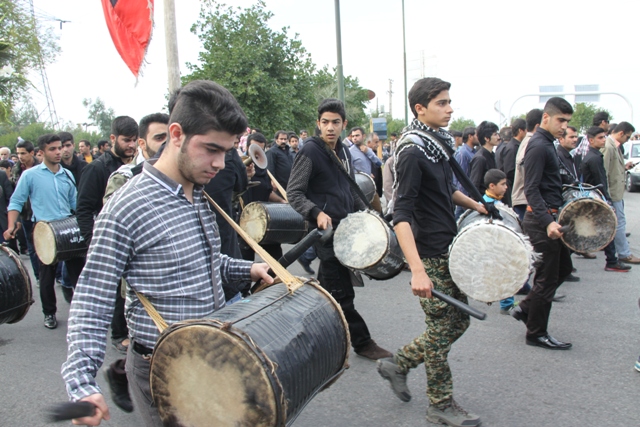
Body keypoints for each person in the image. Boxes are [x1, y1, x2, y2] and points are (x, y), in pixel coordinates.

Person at [61, 80, 273, 427]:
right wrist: (81, 384)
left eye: (228, 151)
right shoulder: (127, 207)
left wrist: (246, 269)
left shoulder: (197, 192)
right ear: (176, 134)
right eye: (211, 149)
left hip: (212, 354)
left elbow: (198, 264)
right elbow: (91, 299)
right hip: (164, 368)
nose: (220, 163)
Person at [377, 77, 487, 427]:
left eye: (449, 101)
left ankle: (399, 363)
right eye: (441, 102)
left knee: (460, 320)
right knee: (441, 329)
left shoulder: (434, 145)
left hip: (446, 246)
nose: (450, 108)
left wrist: (476, 204)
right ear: (419, 109)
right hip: (428, 253)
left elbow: (445, 190)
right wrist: (418, 270)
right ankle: (440, 403)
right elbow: (401, 213)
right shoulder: (411, 151)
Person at [288, 98, 392, 361]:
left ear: (344, 124)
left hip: (346, 231)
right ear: (318, 124)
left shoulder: (343, 151)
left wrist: (367, 215)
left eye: (335, 122)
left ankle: (303, 334)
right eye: (325, 122)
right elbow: (294, 192)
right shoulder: (310, 151)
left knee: (328, 290)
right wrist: (316, 212)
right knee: (341, 293)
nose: (330, 127)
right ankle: (363, 342)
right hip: (325, 235)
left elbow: (348, 189)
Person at [510, 97, 574, 350]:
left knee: (564, 270)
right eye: (560, 120)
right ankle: (536, 333)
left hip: (550, 217)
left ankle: (526, 308)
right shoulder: (538, 146)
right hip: (541, 220)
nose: (564, 127)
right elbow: (532, 189)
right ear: (545, 118)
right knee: (546, 280)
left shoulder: (548, 144)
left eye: (567, 122)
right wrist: (548, 222)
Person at [5, 134, 85, 328]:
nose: (58, 152)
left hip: (67, 229)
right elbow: (16, 201)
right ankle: (49, 313)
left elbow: (75, 204)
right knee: (47, 276)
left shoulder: (67, 174)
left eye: (60, 148)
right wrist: (10, 226)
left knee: (79, 272)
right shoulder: (30, 175)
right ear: (41, 152)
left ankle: (82, 312)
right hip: (44, 232)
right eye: (53, 149)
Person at [76, 116, 138, 353]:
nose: (131, 145)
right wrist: (93, 242)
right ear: (113, 139)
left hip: (131, 238)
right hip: (108, 239)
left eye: (134, 140)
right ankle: (119, 333)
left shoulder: (137, 166)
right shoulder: (96, 169)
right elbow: (83, 209)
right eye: (126, 140)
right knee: (114, 290)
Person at [580, 126, 631, 273]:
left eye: (604, 137)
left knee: (600, 231)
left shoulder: (594, 155)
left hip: (594, 197)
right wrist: (607, 201)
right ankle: (612, 261)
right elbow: (599, 182)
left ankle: (612, 260)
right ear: (591, 140)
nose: (604, 140)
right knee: (605, 229)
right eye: (600, 138)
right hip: (596, 198)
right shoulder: (594, 158)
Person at [602, 122, 640, 264]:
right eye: (628, 137)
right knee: (619, 223)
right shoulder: (608, 146)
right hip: (612, 193)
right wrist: (605, 195)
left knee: (617, 223)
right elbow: (604, 171)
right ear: (621, 133)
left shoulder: (614, 146)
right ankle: (624, 253)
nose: (628, 140)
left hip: (616, 192)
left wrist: (624, 167)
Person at [480, 169, 517, 313]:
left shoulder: (492, 201)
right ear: (491, 186)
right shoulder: (487, 205)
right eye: (503, 184)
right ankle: (507, 304)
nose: (506, 187)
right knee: (505, 272)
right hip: (494, 246)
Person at [12, 139, 41, 278]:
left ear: (31, 153)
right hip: (26, 215)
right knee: (32, 247)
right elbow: (15, 197)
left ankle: (57, 275)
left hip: (42, 213)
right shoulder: (16, 169)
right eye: (18, 153)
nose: (20, 156)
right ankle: (38, 276)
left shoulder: (42, 167)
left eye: (23, 153)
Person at [511, 108, 543, 221]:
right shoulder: (531, 142)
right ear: (538, 126)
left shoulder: (529, 140)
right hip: (524, 201)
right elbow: (524, 167)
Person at [497, 118, 526, 206]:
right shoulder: (512, 148)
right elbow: (509, 171)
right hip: (512, 189)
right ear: (521, 131)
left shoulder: (516, 146)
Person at [468, 120, 500, 195]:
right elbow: (474, 186)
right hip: (483, 202)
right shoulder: (480, 158)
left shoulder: (492, 155)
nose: (498, 137)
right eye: (495, 135)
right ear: (486, 138)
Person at [453, 126, 477, 219]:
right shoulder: (463, 153)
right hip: (464, 196)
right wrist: (464, 200)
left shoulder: (473, 152)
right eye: (476, 135)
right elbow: (460, 178)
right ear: (470, 136)